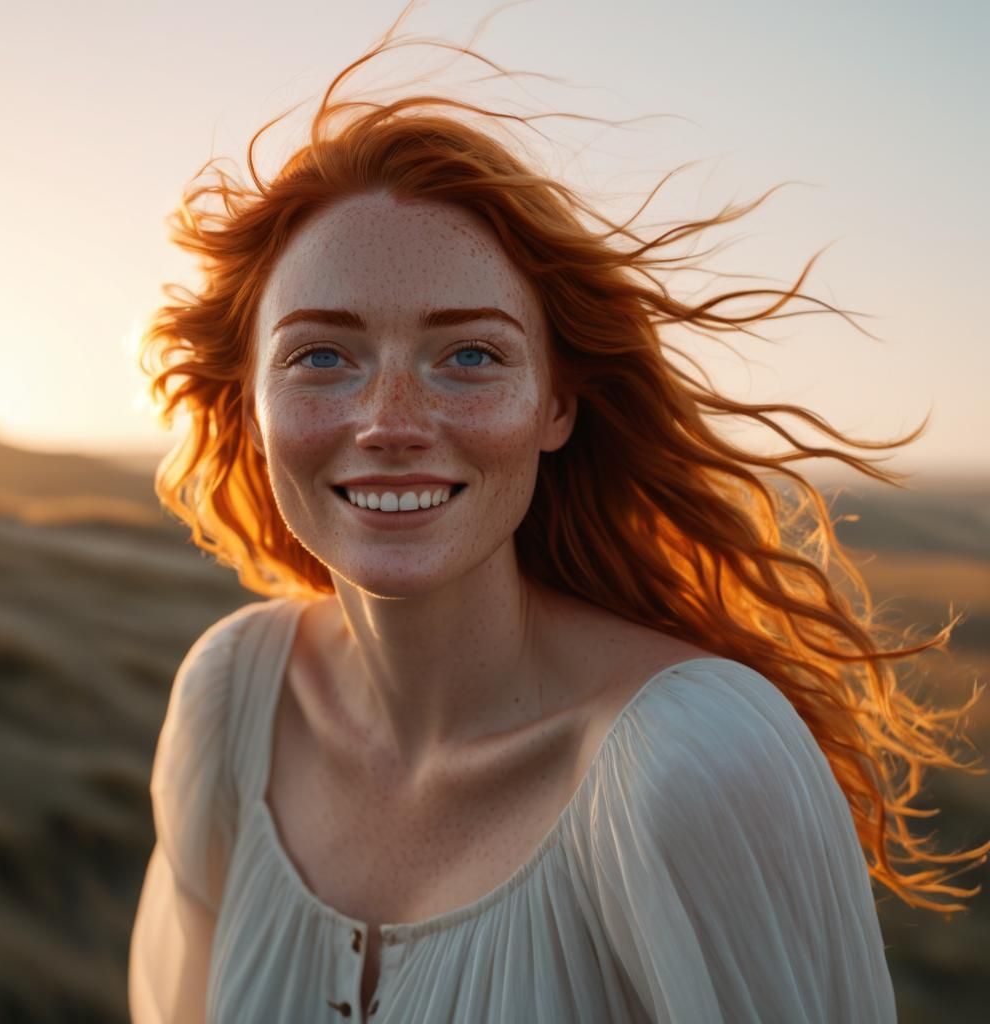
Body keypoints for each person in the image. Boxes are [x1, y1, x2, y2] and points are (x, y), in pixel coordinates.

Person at [127, 6, 988, 1022]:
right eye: (321, 354)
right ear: (247, 404)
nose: (390, 423)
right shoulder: (231, 700)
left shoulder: (691, 766)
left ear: (556, 404)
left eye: (470, 355)